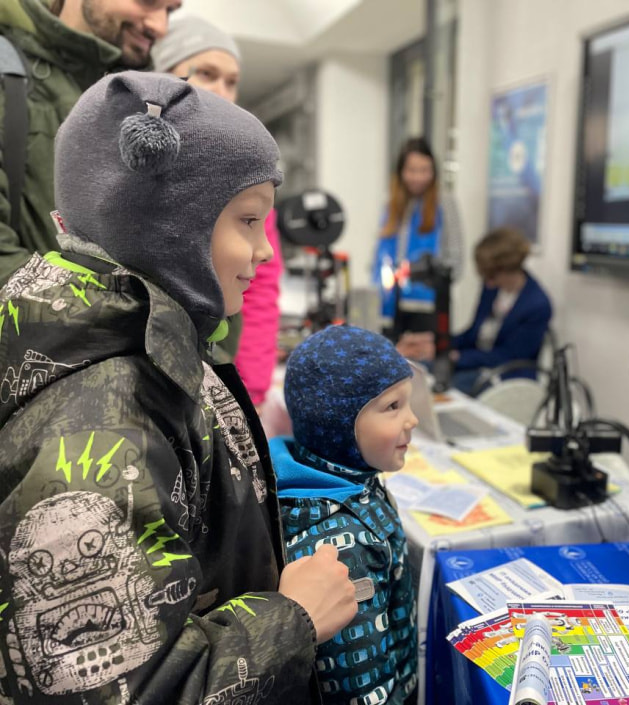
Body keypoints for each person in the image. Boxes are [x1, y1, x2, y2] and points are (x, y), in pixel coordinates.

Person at [0, 71, 357, 703]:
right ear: (166, 228)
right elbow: (121, 687)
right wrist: (292, 618)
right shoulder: (104, 423)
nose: (266, 251)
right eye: (247, 220)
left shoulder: (153, 343)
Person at [272, 325, 419, 705]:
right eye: (392, 407)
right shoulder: (345, 547)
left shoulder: (350, 483)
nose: (412, 420)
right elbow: (358, 680)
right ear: (338, 423)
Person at [0, 0, 181, 286]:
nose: (160, 26)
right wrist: (108, 316)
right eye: (148, 1)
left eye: (170, 10)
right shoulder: (7, 71)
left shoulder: (152, 105)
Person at [152, 14, 284, 404]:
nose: (222, 91)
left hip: (215, 374)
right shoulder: (131, 170)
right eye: (207, 73)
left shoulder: (249, 175)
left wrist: (251, 391)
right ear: (161, 75)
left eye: (232, 81)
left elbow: (261, 286)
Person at [374, 137, 463, 343]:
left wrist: (433, 274)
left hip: (428, 306)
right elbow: (381, 252)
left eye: (425, 170)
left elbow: (456, 257)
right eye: (412, 170)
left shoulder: (444, 202)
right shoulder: (392, 204)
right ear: (401, 171)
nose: (418, 177)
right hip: (392, 304)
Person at [450, 227, 552, 396]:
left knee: (451, 385)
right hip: (478, 364)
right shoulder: (492, 289)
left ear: (510, 269)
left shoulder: (537, 305)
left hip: (507, 375)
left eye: (492, 277)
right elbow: (473, 333)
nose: (489, 283)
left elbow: (510, 356)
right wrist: (441, 344)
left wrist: (459, 358)